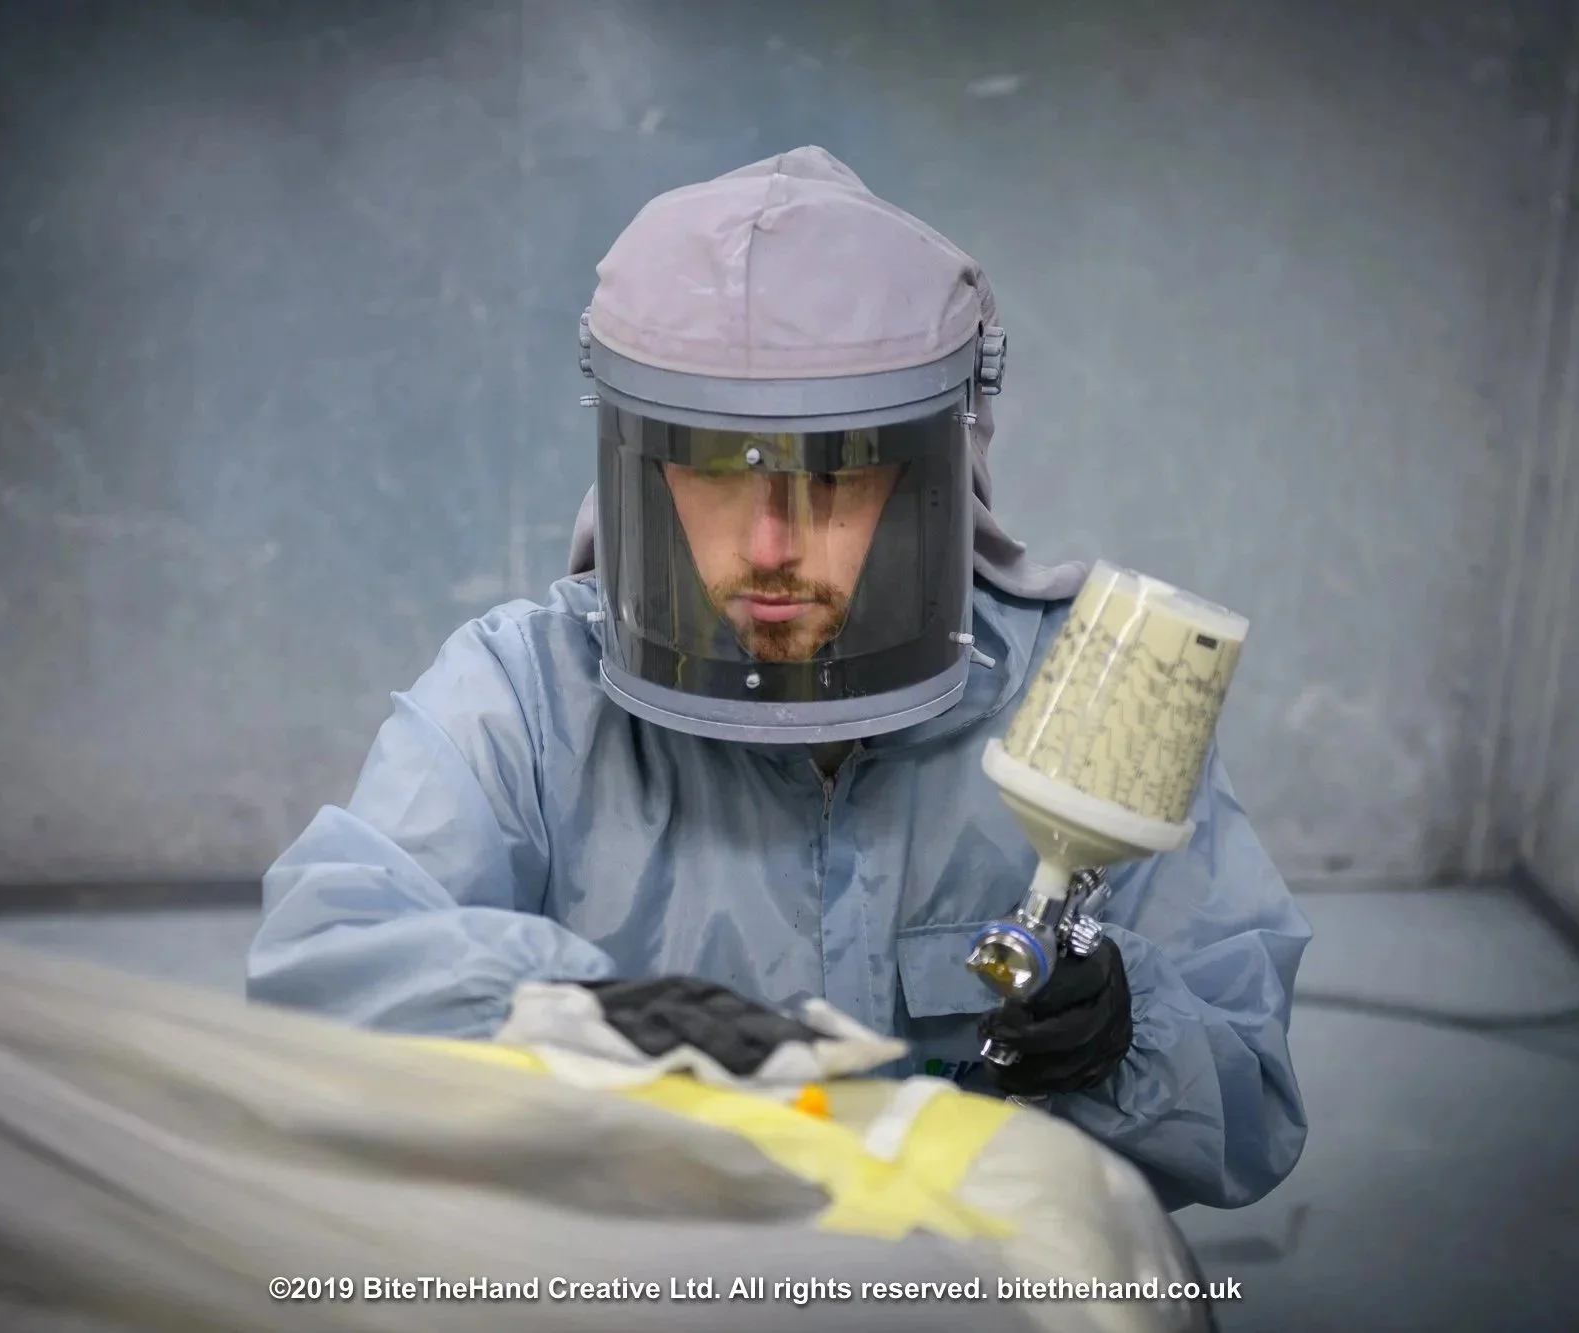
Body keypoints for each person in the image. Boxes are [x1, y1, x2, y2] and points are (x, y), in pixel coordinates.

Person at [247, 147, 1311, 1213]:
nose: (768, 543)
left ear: (936, 464)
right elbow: (325, 962)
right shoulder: (524, 696)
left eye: (836, 474)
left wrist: (1129, 1033)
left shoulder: (1077, 695)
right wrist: (570, 1010)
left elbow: (1249, 1104)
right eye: (715, 469)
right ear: (637, 461)